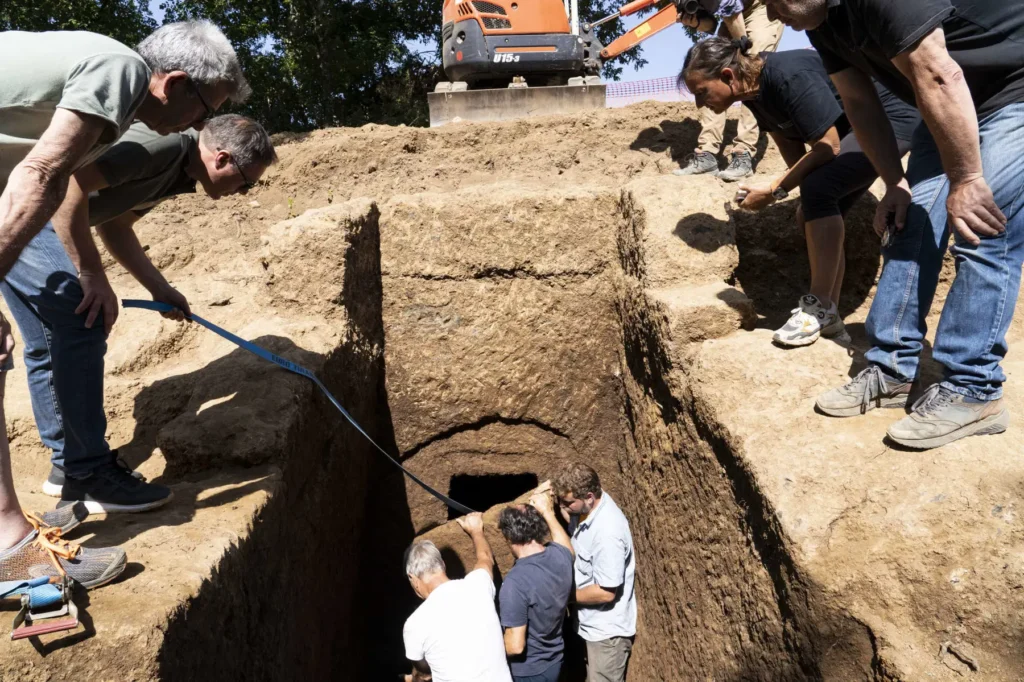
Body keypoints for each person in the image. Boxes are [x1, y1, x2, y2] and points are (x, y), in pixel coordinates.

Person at [0, 21, 248, 588]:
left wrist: (155, 288)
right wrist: (90, 274)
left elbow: (65, 196)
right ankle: (79, 476)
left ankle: (40, 505)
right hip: (19, 195)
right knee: (76, 314)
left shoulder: (120, 103)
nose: (199, 125)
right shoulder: (123, 75)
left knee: (54, 327)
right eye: (204, 108)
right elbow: (47, 179)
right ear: (178, 84)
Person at [761, 0, 1024, 449]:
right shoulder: (823, 22)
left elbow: (939, 72)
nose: (769, 15)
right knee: (909, 221)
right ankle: (891, 369)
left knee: (980, 224)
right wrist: (895, 183)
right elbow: (861, 105)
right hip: (947, 100)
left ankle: (974, 390)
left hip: (1011, 89)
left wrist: (967, 179)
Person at [29, 114, 277, 502]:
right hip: (29, 212)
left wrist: (160, 288)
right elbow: (71, 185)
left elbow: (115, 225)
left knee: (50, 342)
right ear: (223, 159)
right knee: (82, 323)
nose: (245, 192)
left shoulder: (181, 171)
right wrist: (90, 272)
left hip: (29, 214)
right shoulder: (165, 146)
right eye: (246, 181)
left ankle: (69, 467)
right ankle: (87, 471)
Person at [681, 40, 921, 346]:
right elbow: (787, 141)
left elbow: (828, 145)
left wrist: (776, 190)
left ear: (728, 75)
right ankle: (829, 316)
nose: (700, 104)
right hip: (853, 130)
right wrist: (805, 191)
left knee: (818, 189)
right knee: (813, 200)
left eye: (701, 92)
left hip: (889, 120)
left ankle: (818, 307)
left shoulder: (786, 75)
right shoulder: (753, 92)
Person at [673, 0, 785, 181]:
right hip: (730, 14)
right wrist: (695, 22)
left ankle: (743, 153)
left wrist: (743, 47)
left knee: (752, 74)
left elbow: (730, 5)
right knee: (709, 76)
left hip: (761, 8)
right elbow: (711, 23)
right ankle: (706, 154)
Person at [403, 512, 513, 682]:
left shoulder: (414, 625)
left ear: (413, 579)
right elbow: (485, 559)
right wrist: (476, 530)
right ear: (443, 565)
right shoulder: (478, 585)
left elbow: (423, 669)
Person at [552, 463, 636, 682]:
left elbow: (606, 592)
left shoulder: (607, 532)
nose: (563, 506)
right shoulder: (588, 510)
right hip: (589, 625)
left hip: (606, 635)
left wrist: (565, 597)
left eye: (567, 502)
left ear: (589, 496)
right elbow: (572, 518)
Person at [496, 485, 574, 682]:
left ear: (508, 537)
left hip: (528, 671)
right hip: (554, 660)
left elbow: (515, 646)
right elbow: (568, 547)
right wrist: (547, 512)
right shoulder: (560, 556)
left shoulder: (515, 583)